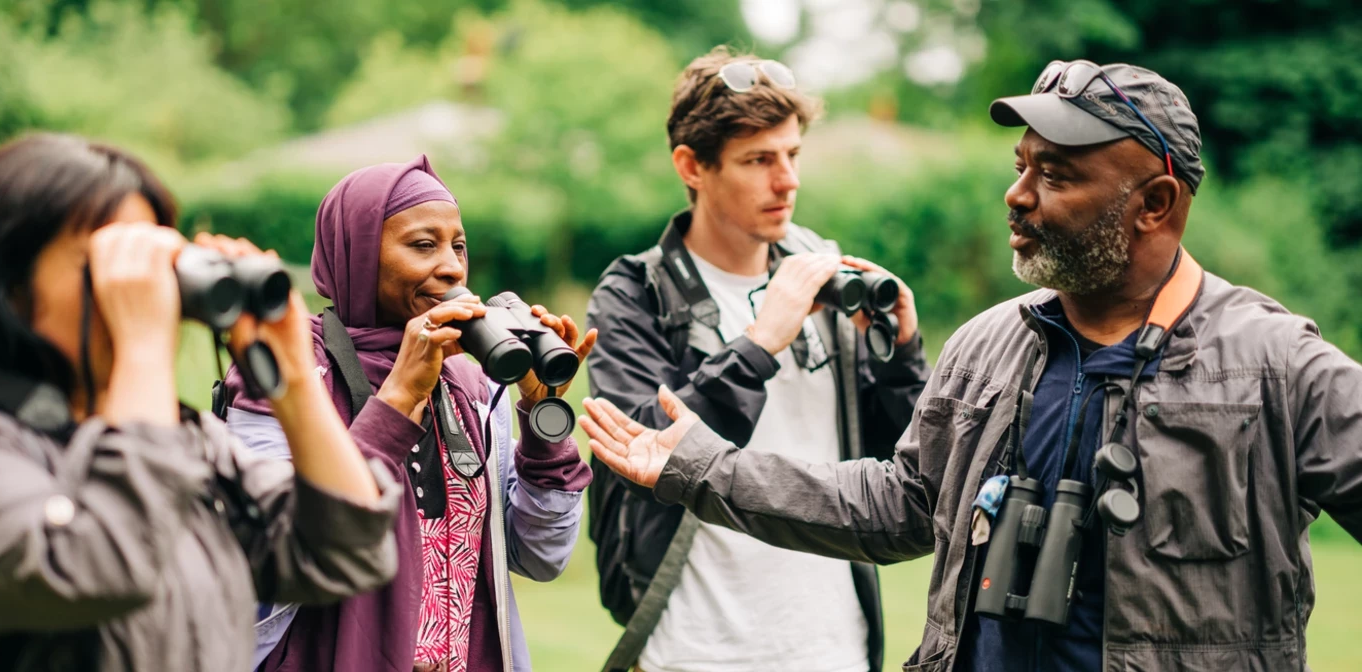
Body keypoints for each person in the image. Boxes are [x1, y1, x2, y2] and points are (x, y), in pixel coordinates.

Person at [581, 61, 1362, 672]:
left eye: (1054, 175)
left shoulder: (1276, 364)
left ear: (1155, 204)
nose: (1015, 195)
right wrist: (702, 466)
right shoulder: (991, 344)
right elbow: (901, 505)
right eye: (1021, 165)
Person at [0, 134, 401, 671]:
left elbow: (347, 550)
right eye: (104, 262)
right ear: (5, 280)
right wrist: (144, 347)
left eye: (151, 266)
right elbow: (98, 564)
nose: (140, 288)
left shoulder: (191, 445)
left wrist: (293, 379)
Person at [584, 47, 928, 672]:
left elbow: (902, 466)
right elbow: (639, 449)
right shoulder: (636, 292)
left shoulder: (823, 271)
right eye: (758, 160)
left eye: (793, 154)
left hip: (836, 643)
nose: (787, 180)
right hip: (697, 649)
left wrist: (902, 354)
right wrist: (757, 345)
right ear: (692, 165)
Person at [220, 156, 595, 672]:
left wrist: (539, 412)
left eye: (458, 246)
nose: (451, 267)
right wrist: (396, 400)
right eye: (423, 245)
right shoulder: (290, 369)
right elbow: (273, 558)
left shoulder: (474, 380)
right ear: (357, 255)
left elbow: (541, 556)